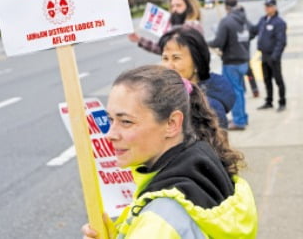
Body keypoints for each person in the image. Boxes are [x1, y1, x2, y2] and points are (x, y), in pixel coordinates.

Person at [81, 65, 258, 239]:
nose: (110, 135)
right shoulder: (205, 165)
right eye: (110, 119)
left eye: (126, 122)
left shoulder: (158, 219)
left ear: (172, 123)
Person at [158, 26, 235, 129]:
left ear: (196, 64)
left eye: (176, 58)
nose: (169, 66)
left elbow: (217, 143)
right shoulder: (171, 93)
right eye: (165, 58)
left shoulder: (210, 108)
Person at [208, 0, 250, 130]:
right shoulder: (244, 19)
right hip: (243, 60)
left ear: (226, 7)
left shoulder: (226, 21)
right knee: (240, 90)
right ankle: (242, 117)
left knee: (235, 92)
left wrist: (205, 42)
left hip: (231, 62)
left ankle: (239, 121)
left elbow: (218, 42)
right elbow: (252, 32)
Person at [128, 0, 203, 55]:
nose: (174, 9)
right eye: (172, 6)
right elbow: (164, 50)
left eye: (178, 5)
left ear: (189, 7)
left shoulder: (193, 26)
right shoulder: (176, 26)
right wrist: (140, 40)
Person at [252, 0, 287, 112]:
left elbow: (281, 41)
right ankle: (269, 101)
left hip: (273, 56)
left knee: (278, 80)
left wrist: (275, 56)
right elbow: (254, 30)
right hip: (264, 55)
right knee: (266, 80)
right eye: (266, 6)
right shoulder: (263, 20)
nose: (267, 8)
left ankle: (282, 102)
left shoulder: (279, 22)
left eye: (269, 6)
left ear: (275, 7)